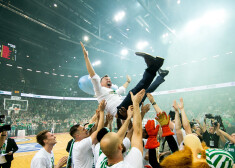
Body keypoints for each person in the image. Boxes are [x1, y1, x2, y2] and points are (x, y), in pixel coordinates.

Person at [81, 42, 166, 119]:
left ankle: (160, 76)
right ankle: (153, 67)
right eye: (106, 79)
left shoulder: (112, 92)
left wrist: (128, 81)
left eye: (109, 79)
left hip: (127, 107)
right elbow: (94, 76)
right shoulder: (99, 91)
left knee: (146, 92)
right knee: (133, 91)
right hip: (121, 111)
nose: (109, 79)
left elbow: (121, 89)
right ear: (101, 83)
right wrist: (86, 57)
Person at [97, 89, 145, 167]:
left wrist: (128, 118)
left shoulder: (101, 161)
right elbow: (138, 133)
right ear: (120, 147)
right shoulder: (130, 165)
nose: (119, 135)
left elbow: (116, 139)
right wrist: (135, 104)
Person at [68, 100, 105, 168]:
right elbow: (99, 130)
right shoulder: (81, 145)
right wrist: (102, 111)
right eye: (83, 129)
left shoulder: (77, 141)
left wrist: (97, 114)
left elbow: (90, 124)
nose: (86, 129)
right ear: (77, 135)